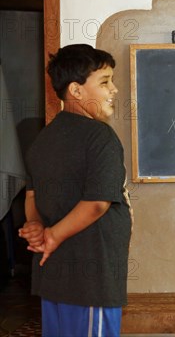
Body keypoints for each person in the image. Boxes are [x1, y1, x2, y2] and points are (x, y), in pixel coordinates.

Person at [18, 44, 132, 337]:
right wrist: (51, 236)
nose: (114, 90)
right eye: (105, 82)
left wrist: (36, 226)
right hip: (91, 279)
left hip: (54, 276)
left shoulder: (44, 138)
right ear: (76, 91)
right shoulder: (100, 137)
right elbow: (97, 203)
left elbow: (32, 197)